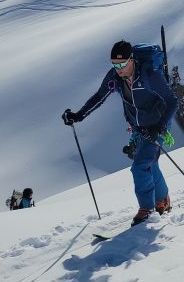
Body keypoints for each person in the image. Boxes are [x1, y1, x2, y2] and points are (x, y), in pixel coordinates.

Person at [62, 40, 178, 226]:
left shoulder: (150, 75)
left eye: (122, 64)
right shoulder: (115, 78)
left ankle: (146, 209)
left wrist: (160, 126)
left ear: (132, 60)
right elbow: (99, 96)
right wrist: (79, 115)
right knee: (150, 163)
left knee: (140, 166)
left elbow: (172, 102)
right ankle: (163, 199)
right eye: (115, 64)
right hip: (139, 127)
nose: (119, 68)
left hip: (158, 123)